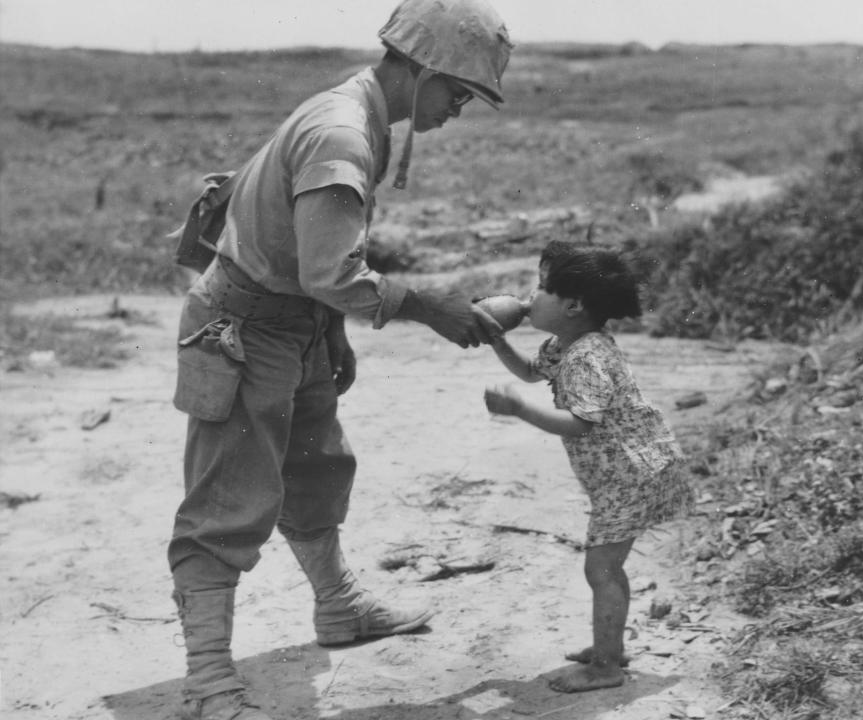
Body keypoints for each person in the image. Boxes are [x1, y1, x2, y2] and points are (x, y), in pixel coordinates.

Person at [167, 2, 512, 718]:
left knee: (316, 468)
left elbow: (315, 257)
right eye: (457, 93)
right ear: (421, 69)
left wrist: (332, 333)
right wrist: (430, 306)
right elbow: (330, 271)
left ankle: (339, 607)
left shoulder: (361, 118)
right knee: (227, 502)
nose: (458, 111)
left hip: (293, 322)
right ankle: (208, 682)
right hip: (244, 328)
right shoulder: (341, 133)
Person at [483, 240, 692, 694]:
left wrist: (518, 410)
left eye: (540, 288)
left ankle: (606, 667)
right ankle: (608, 648)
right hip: (625, 474)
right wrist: (497, 338)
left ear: (573, 305)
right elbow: (529, 372)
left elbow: (579, 423)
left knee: (601, 570)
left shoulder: (588, 357)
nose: (529, 297)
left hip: (631, 476)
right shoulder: (566, 344)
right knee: (606, 568)